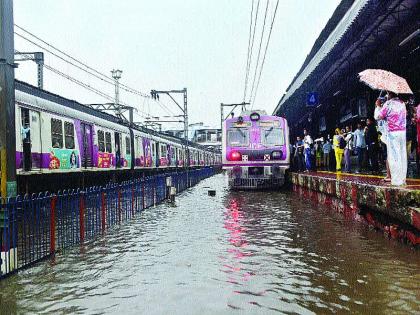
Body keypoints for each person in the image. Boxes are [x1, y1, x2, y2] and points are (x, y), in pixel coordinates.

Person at [374, 91, 407, 186]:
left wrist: (378, 106)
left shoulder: (388, 104)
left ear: (390, 94)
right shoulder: (402, 103)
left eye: (388, 93)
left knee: (394, 156)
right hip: (402, 132)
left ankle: (396, 181)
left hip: (393, 134)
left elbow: (378, 116)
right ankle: (402, 179)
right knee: (402, 155)